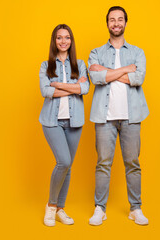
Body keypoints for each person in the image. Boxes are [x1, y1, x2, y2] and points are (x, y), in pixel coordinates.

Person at [88, 6, 149, 226]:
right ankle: (99, 208)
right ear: (107, 24)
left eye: (120, 19)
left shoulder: (137, 52)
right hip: (105, 118)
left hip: (131, 117)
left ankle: (136, 208)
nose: (116, 23)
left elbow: (138, 79)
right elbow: (95, 78)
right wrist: (126, 70)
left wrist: (106, 72)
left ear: (125, 23)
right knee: (103, 163)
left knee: (132, 163)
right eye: (112, 20)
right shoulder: (95, 53)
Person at [39, 24, 89, 227]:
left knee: (68, 167)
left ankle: (61, 209)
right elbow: (45, 92)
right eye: (59, 38)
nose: (63, 41)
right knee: (64, 161)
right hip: (52, 121)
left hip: (74, 121)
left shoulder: (80, 64)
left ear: (71, 41)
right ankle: (51, 206)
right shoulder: (45, 66)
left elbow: (84, 88)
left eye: (67, 38)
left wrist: (57, 84)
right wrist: (74, 88)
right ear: (54, 41)